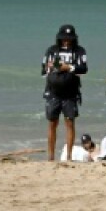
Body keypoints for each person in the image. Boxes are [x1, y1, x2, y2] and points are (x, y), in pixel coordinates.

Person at [42, 24, 87, 161]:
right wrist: (53, 67)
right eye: (64, 39)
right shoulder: (51, 50)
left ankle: (69, 155)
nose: (66, 41)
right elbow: (44, 69)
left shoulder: (79, 51)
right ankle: (50, 156)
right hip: (53, 91)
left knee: (69, 122)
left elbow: (83, 68)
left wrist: (67, 67)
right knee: (52, 123)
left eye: (69, 39)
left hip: (71, 92)